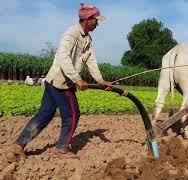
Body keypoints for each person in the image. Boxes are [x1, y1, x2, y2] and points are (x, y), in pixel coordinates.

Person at [8, 3, 112, 160]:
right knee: (73, 116)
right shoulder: (71, 33)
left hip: (54, 82)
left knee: (44, 114)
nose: (98, 24)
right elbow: (63, 57)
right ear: (88, 19)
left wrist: (101, 80)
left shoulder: (87, 39)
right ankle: (61, 149)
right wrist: (77, 79)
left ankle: (19, 145)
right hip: (61, 83)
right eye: (96, 20)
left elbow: (91, 61)